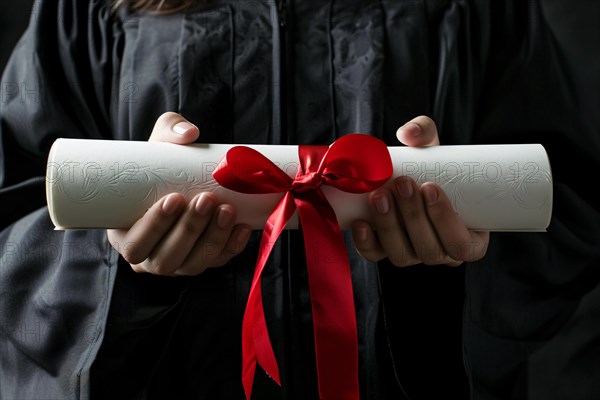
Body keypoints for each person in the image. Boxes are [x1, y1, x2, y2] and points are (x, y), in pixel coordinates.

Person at [1, 1, 598, 400]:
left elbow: (561, 203)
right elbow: (19, 208)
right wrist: (124, 269)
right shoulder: (91, 7)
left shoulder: (477, 9)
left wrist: (447, 271)